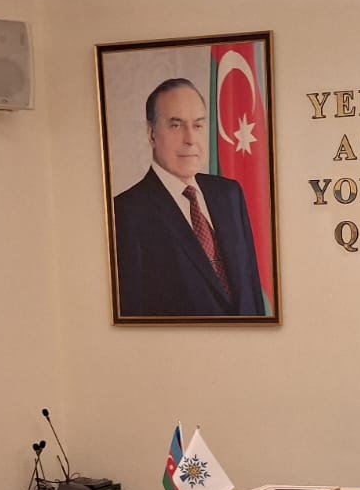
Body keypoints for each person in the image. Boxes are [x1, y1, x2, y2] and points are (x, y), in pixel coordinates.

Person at [112, 78, 264, 317]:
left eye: (198, 125)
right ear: (152, 134)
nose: (190, 139)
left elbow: (252, 290)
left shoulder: (229, 194)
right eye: (176, 125)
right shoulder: (126, 212)